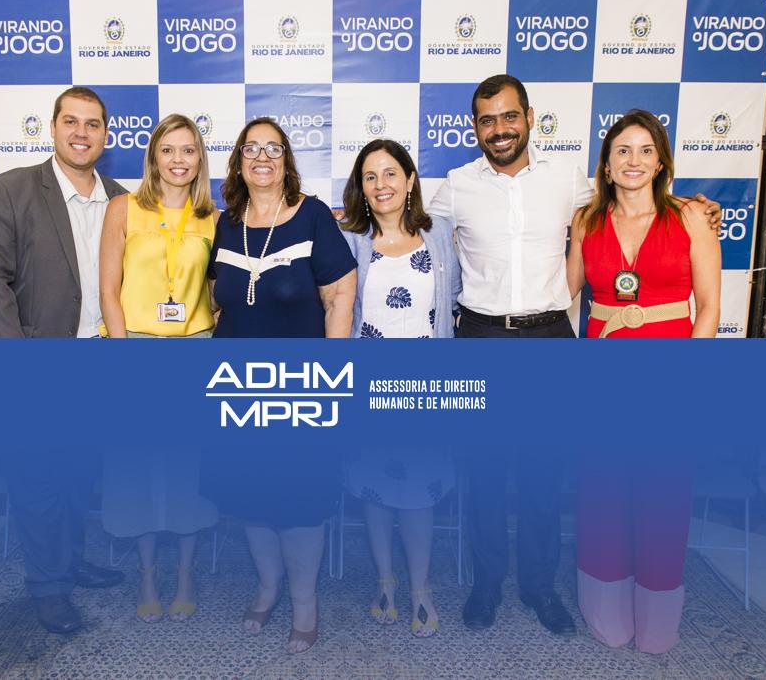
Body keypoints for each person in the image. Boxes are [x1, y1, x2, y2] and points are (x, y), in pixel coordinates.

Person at [426, 75, 722, 635]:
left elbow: (631, 198)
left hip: (549, 339)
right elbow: (404, 227)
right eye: (487, 120)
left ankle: (540, 587)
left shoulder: (567, 179)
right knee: (485, 473)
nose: (499, 129)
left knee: (543, 472)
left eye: (509, 116)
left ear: (529, 118)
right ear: (475, 128)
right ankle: (486, 584)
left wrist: (696, 207)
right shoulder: (457, 186)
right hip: (482, 337)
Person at [0, 87, 126, 634]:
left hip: (99, 367)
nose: (82, 133)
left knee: (81, 474)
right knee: (38, 480)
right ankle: (48, 587)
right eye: (71, 122)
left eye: (93, 124)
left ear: (106, 135)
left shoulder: (122, 200)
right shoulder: (10, 191)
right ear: (53, 128)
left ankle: (70, 562)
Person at [565, 109, 720, 653]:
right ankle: (605, 610)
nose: (634, 161)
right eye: (622, 151)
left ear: (660, 163)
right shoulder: (587, 222)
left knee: (663, 493)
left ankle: (657, 620)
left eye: (645, 150)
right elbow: (563, 293)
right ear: (606, 166)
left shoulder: (691, 218)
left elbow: (709, 308)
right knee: (603, 490)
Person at [204, 117, 357, 654]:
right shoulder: (226, 224)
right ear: (238, 161)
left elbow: (340, 295)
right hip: (238, 390)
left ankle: (305, 601)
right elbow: (217, 298)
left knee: (300, 501)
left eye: (273, 148)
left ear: (287, 159)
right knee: (250, 495)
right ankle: (268, 588)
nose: (262, 157)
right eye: (252, 148)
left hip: (301, 388)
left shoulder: (312, 215)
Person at [98, 113, 219, 623]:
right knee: (136, 469)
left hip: (195, 350)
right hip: (136, 351)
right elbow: (108, 290)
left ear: (199, 159)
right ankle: (147, 574)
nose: (178, 160)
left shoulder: (214, 218)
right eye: (168, 150)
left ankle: (186, 573)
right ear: (153, 157)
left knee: (188, 470)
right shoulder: (123, 208)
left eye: (188, 150)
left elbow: (217, 293)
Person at [338, 139, 460, 636]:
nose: (381, 184)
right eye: (370, 176)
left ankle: (420, 589)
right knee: (374, 488)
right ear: (360, 187)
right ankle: (385, 583)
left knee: (419, 493)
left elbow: (454, 301)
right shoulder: (349, 240)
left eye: (391, 173)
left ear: (410, 180)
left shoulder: (440, 234)